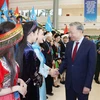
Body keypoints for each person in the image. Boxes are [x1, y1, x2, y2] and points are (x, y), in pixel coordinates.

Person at [56, 22, 97, 100]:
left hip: (82, 84)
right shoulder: (69, 44)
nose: (70, 35)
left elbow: (91, 67)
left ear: (80, 31)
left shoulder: (90, 45)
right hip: (69, 84)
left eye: (72, 33)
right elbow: (66, 61)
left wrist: (87, 85)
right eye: (69, 32)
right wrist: (59, 71)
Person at [0, 21, 27, 100]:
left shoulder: (8, 57)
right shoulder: (1, 62)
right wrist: (16, 88)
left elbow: (6, 79)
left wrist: (19, 81)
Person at [16, 21, 40, 100]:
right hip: (29, 86)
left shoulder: (21, 46)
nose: (37, 37)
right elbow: (32, 72)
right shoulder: (29, 50)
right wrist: (38, 79)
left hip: (21, 83)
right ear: (31, 33)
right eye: (37, 33)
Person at [32, 27, 57, 100]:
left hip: (41, 78)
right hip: (37, 79)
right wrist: (49, 72)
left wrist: (49, 69)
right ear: (36, 35)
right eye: (42, 34)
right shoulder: (34, 50)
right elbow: (38, 68)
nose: (44, 36)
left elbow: (41, 64)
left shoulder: (37, 48)